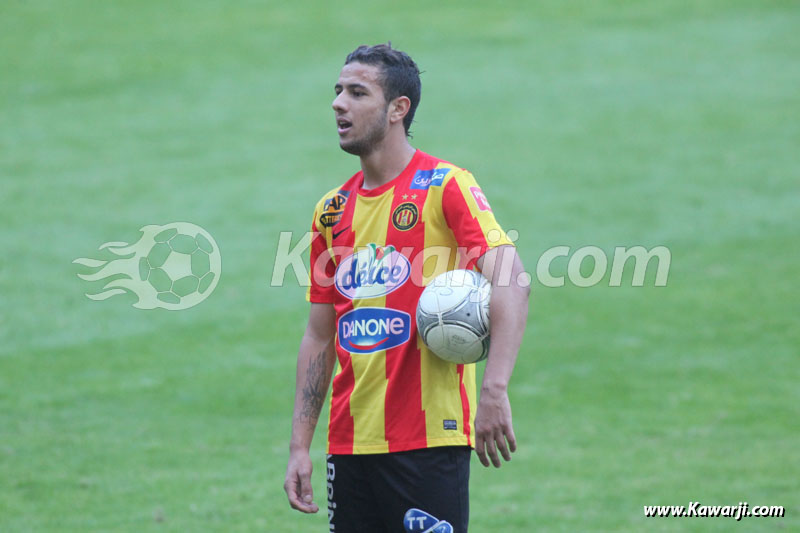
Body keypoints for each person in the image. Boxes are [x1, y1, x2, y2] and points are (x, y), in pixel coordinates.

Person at [284, 43, 530, 532]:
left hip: (428, 444)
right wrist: (299, 445)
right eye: (337, 91)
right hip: (349, 446)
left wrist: (495, 390)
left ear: (399, 109)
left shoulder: (445, 186)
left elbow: (511, 279)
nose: (338, 103)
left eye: (357, 92)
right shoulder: (330, 213)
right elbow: (319, 335)